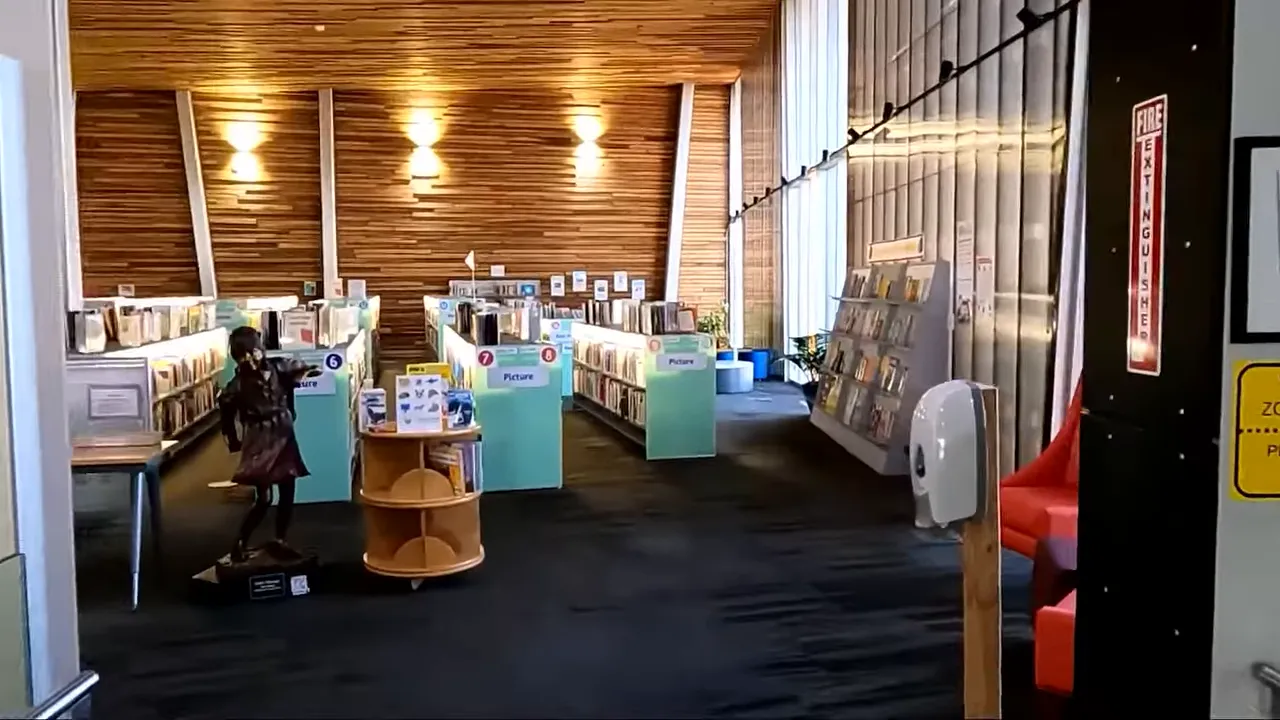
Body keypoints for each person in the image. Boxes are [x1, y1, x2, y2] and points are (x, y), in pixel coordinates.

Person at [218, 326, 319, 563]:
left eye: (253, 352)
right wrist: (233, 441)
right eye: (243, 355)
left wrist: (310, 372)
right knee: (264, 498)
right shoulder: (238, 384)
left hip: (283, 434)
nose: (251, 359)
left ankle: (280, 539)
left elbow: (302, 372)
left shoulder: (278, 367)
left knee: (288, 490)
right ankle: (240, 542)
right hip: (260, 438)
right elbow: (226, 413)